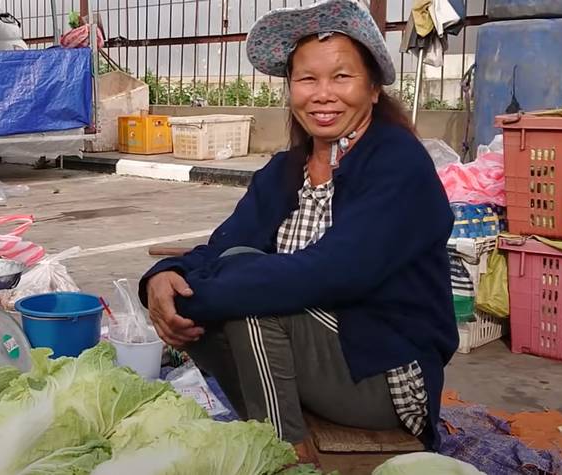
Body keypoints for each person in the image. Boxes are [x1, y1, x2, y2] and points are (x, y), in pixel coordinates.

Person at [138, 0, 458, 464]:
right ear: (290, 89)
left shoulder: (397, 164)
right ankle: (268, 423)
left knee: (252, 302)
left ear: (372, 90)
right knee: (227, 278)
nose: (323, 94)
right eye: (307, 79)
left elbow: (337, 271)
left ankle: (285, 456)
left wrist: (199, 295)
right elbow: (225, 246)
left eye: (342, 77)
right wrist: (164, 278)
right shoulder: (285, 170)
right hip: (321, 360)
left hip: (387, 372)